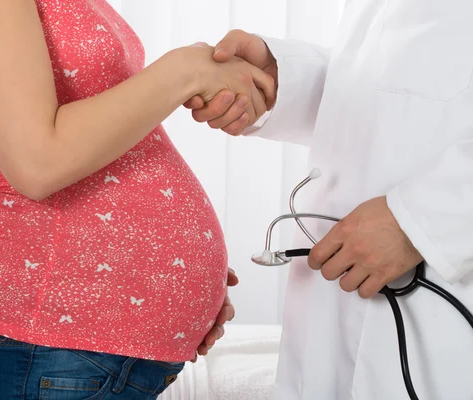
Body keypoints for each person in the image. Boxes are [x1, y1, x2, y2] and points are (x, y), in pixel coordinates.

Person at [0, 1, 276, 399]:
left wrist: (168, 277)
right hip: (30, 355)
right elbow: (37, 162)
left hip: (57, 355)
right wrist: (185, 70)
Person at [188, 2, 473, 398]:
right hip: (342, 312)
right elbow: (404, 82)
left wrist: (422, 220)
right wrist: (281, 80)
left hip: (444, 302)